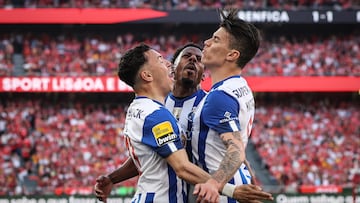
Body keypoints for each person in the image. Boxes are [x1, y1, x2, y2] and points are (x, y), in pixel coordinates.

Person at [95, 43, 273, 203]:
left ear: (203, 74)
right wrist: (113, 178)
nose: (194, 60)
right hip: (184, 192)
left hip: (209, 192)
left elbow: (234, 147)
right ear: (174, 68)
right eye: (187, 56)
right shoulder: (158, 111)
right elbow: (167, 159)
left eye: (199, 59)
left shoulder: (210, 103)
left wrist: (248, 179)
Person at [189, 8, 262, 202]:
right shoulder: (239, 86)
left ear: (232, 55)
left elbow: (236, 148)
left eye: (216, 40)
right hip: (235, 182)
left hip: (223, 192)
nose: (206, 42)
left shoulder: (220, 96)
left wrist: (214, 184)